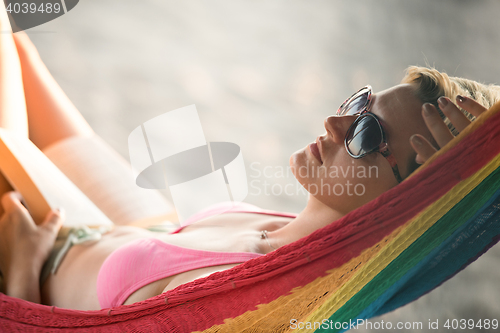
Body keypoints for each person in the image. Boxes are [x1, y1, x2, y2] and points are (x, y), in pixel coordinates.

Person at [0, 6, 499, 310]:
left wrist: (23, 272)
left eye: (367, 132)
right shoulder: (288, 225)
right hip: (124, 223)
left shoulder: (258, 305)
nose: (333, 123)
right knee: (17, 41)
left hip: (36, 252)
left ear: (405, 206)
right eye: (359, 104)